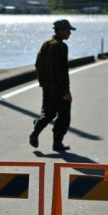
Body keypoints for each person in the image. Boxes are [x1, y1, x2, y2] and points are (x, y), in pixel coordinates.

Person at [29, 19, 76, 151]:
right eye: (68, 30)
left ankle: (36, 131)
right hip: (58, 88)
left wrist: (43, 83)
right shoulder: (61, 46)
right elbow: (61, 72)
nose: (69, 33)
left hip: (47, 86)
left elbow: (38, 64)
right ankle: (57, 143)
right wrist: (66, 91)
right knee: (64, 116)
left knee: (48, 113)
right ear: (61, 30)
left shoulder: (46, 43)